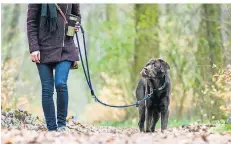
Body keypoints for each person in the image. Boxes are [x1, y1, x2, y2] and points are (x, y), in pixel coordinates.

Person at [27, 4, 81, 132]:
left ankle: (61, 125)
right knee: (47, 89)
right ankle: (52, 129)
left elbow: (77, 15)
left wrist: (76, 25)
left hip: (65, 48)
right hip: (43, 48)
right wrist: (34, 48)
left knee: (61, 83)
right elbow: (31, 22)